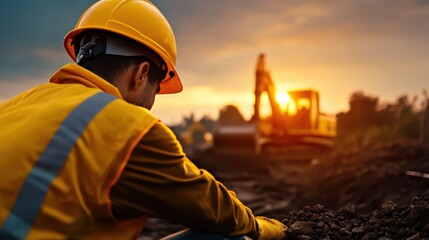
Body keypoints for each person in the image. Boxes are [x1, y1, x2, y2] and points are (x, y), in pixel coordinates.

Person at [0, 0, 288, 239]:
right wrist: (264, 228)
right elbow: (212, 206)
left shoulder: (14, 107)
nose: (151, 103)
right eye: (156, 88)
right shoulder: (131, 129)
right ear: (140, 74)